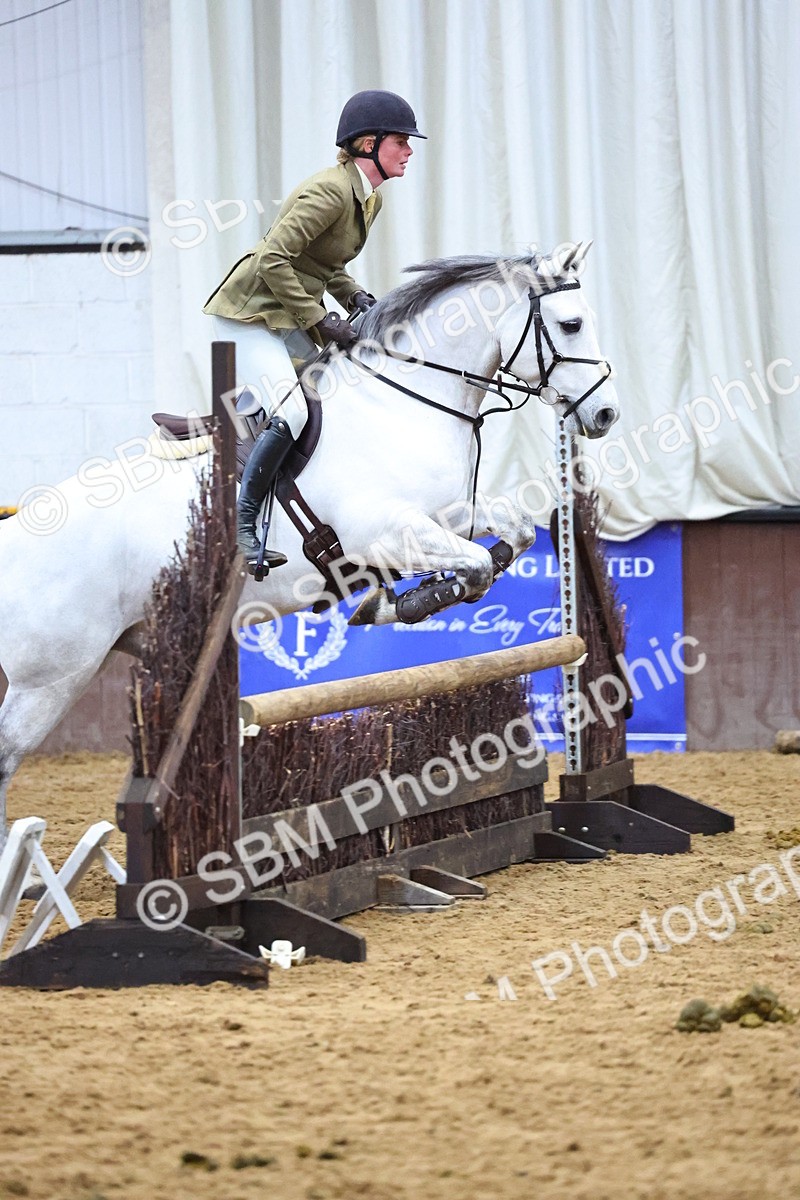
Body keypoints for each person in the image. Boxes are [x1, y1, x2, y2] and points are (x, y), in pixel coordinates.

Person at [203, 89, 425, 570]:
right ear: (369, 144)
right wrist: (322, 319)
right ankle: (244, 527)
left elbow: (324, 265)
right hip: (248, 316)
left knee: (343, 389)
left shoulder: (368, 200)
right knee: (298, 408)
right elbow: (272, 259)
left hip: (283, 315)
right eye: (401, 141)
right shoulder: (328, 191)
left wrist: (355, 298)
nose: (409, 150)